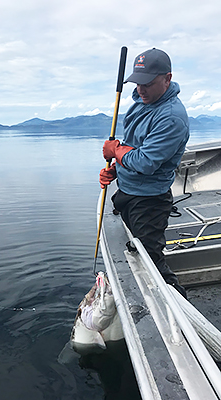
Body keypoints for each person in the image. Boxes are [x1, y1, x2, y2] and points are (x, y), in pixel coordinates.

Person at [99, 48, 189, 298]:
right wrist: (116, 170)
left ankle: (180, 311)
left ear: (167, 78)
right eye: (137, 83)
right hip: (127, 192)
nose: (141, 90)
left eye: (148, 83)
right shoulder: (142, 101)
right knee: (136, 249)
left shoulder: (171, 117)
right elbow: (134, 146)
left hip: (149, 202)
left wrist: (116, 151)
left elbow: (146, 161)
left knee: (151, 260)